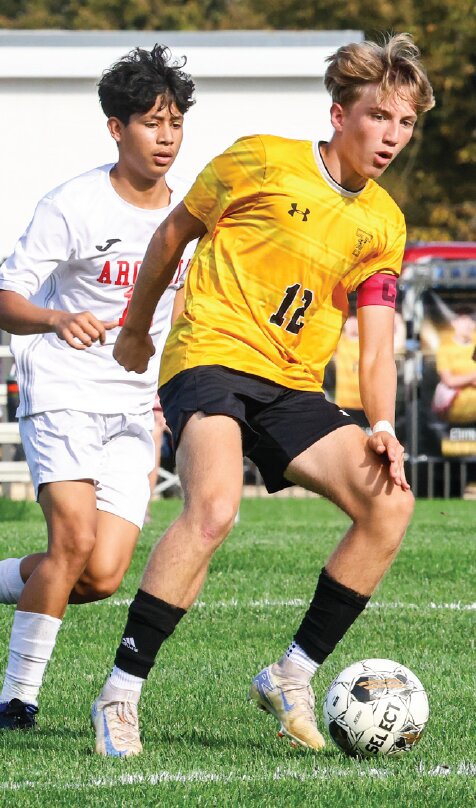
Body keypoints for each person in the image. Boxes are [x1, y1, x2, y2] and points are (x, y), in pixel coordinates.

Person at [91, 33, 435, 757]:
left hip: (290, 382)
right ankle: (119, 694)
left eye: (405, 124)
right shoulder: (259, 159)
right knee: (214, 507)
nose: (392, 137)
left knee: (391, 499)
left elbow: (377, 341)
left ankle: (291, 673)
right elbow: (170, 237)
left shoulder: (385, 223)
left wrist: (379, 422)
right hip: (210, 355)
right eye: (380, 117)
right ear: (340, 113)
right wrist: (134, 329)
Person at [0, 44, 196, 730]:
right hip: (60, 390)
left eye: (175, 122)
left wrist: (173, 397)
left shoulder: (192, 219)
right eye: (151, 122)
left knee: (102, 575)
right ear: (117, 127)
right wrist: (56, 317)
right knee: (73, 543)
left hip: (135, 405)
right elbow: (6, 296)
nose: (166, 136)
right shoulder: (73, 204)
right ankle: (16, 700)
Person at [432, 306, 476, 424]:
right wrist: (472, 377)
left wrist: (462, 379)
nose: (467, 324)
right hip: (454, 416)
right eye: (463, 319)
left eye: (471, 320)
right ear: (454, 323)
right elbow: (449, 380)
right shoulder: (445, 347)